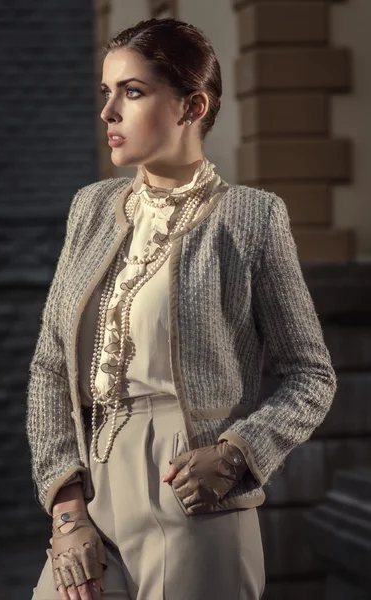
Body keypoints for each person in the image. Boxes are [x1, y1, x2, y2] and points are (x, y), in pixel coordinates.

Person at [27, 17, 337, 600]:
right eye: (106, 92)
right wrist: (67, 512)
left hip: (194, 497)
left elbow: (311, 376)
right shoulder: (91, 209)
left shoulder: (250, 218)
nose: (109, 112)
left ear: (192, 106)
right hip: (91, 490)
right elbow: (49, 364)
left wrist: (238, 454)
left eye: (133, 91)